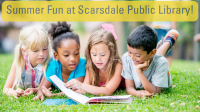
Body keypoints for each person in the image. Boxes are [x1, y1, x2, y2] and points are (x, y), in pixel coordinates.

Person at [64, 24, 125, 96]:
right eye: (94, 54)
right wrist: (68, 91)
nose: (98, 59)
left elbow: (108, 91)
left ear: (111, 52)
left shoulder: (118, 65)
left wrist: (81, 86)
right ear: (89, 53)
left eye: (102, 55)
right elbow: (84, 89)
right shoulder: (91, 65)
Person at [121, 25, 179, 98]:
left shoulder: (161, 62)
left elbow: (155, 92)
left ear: (152, 52)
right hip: (151, 54)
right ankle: (162, 45)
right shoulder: (126, 57)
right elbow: (129, 88)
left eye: (137, 55)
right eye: (129, 52)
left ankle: (169, 41)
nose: (132, 58)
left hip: (155, 57)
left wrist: (139, 71)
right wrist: (137, 93)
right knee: (156, 55)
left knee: (158, 58)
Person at [34, 22, 86, 101]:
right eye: (66, 55)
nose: (72, 59)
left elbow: (74, 91)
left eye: (76, 53)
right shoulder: (53, 66)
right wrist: (40, 93)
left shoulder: (82, 64)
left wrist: (53, 95)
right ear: (56, 56)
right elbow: (43, 88)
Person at [3, 24, 53, 98]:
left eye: (45, 49)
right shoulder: (20, 61)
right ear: (24, 51)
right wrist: (13, 92)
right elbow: (6, 89)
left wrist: (36, 90)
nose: (41, 54)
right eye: (35, 50)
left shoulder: (50, 62)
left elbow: (43, 88)